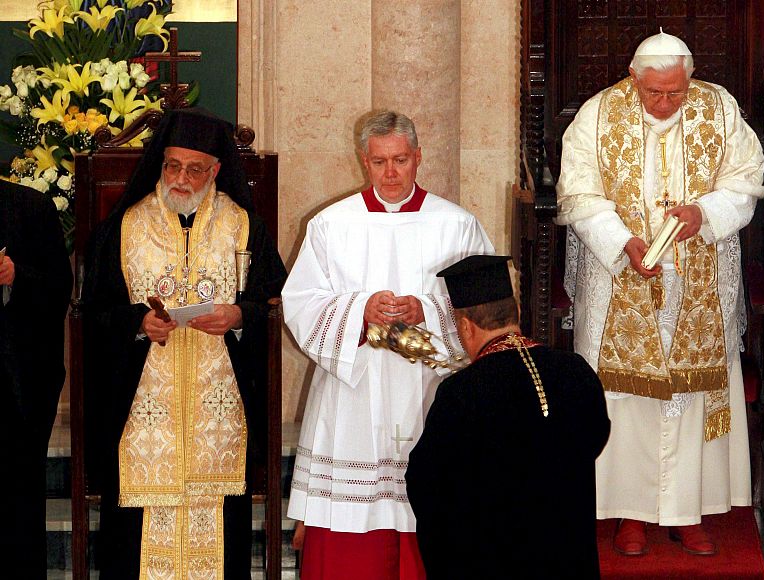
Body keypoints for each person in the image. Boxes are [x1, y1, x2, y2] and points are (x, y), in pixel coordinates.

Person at [555, 29, 764, 556]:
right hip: (620, 277)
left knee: (690, 397)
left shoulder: (719, 108)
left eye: (676, 91)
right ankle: (630, 514)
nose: (666, 102)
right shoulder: (596, 115)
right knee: (626, 403)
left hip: (701, 278)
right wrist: (622, 242)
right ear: (634, 78)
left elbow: (746, 180)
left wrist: (704, 214)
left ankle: (686, 511)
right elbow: (577, 192)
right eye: (655, 92)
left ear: (689, 79)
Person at [282, 110, 494, 579]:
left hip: (432, 388)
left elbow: (489, 308)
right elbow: (300, 303)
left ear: (418, 157)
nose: (391, 173)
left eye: (400, 160)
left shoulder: (456, 225)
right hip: (355, 393)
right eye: (379, 162)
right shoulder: (331, 225)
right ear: (364, 161)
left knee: (430, 512)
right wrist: (360, 310)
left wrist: (427, 309)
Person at [83, 107, 287, 578]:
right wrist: (138, 324)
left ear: (215, 170)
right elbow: (93, 314)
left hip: (219, 420)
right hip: (142, 418)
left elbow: (274, 303)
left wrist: (239, 315)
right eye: (172, 165)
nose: (180, 177)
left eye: (194, 168)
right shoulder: (123, 228)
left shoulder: (244, 227)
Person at [405, 255, 610, 579]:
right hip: (568, 558)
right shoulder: (576, 372)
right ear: (514, 311)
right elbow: (596, 436)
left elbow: (426, 484)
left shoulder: (461, 392)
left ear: (465, 326)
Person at [0, 179, 72, 577]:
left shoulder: (30, 206)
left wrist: (15, 275)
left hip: (16, 390)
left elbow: (61, 288)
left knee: (17, 506)